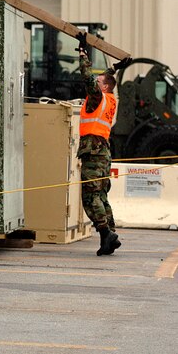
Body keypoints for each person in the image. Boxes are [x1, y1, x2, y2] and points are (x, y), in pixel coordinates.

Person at [75, 32, 131, 256]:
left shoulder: (98, 96)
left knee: (90, 196)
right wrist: (115, 68)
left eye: (100, 82)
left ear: (105, 87)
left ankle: (106, 233)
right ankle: (110, 236)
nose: (96, 82)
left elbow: (88, 77)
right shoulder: (110, 98)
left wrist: (82, 53)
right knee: (101, 195)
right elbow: (102, 79)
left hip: (93, 151)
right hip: (104, 152)